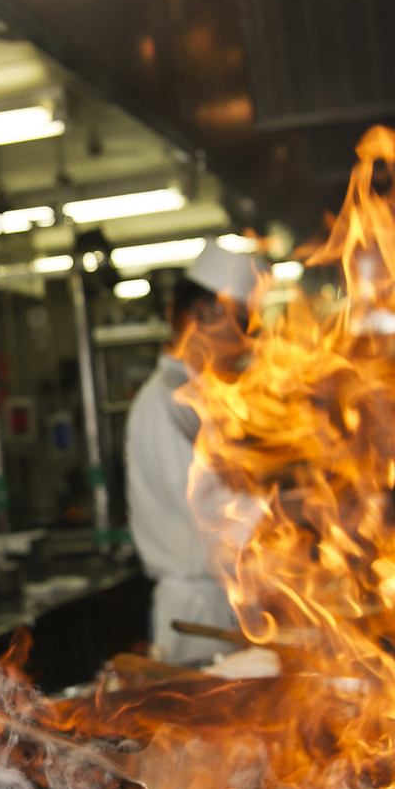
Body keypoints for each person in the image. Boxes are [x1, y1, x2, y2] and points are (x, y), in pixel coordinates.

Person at [124, 239, 263, 665]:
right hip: (195, 615)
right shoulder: (163, 405)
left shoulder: (199, 400)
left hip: (223, 599)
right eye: (242, 323)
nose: (246, 342)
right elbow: (213, 519)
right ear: (203, 315)